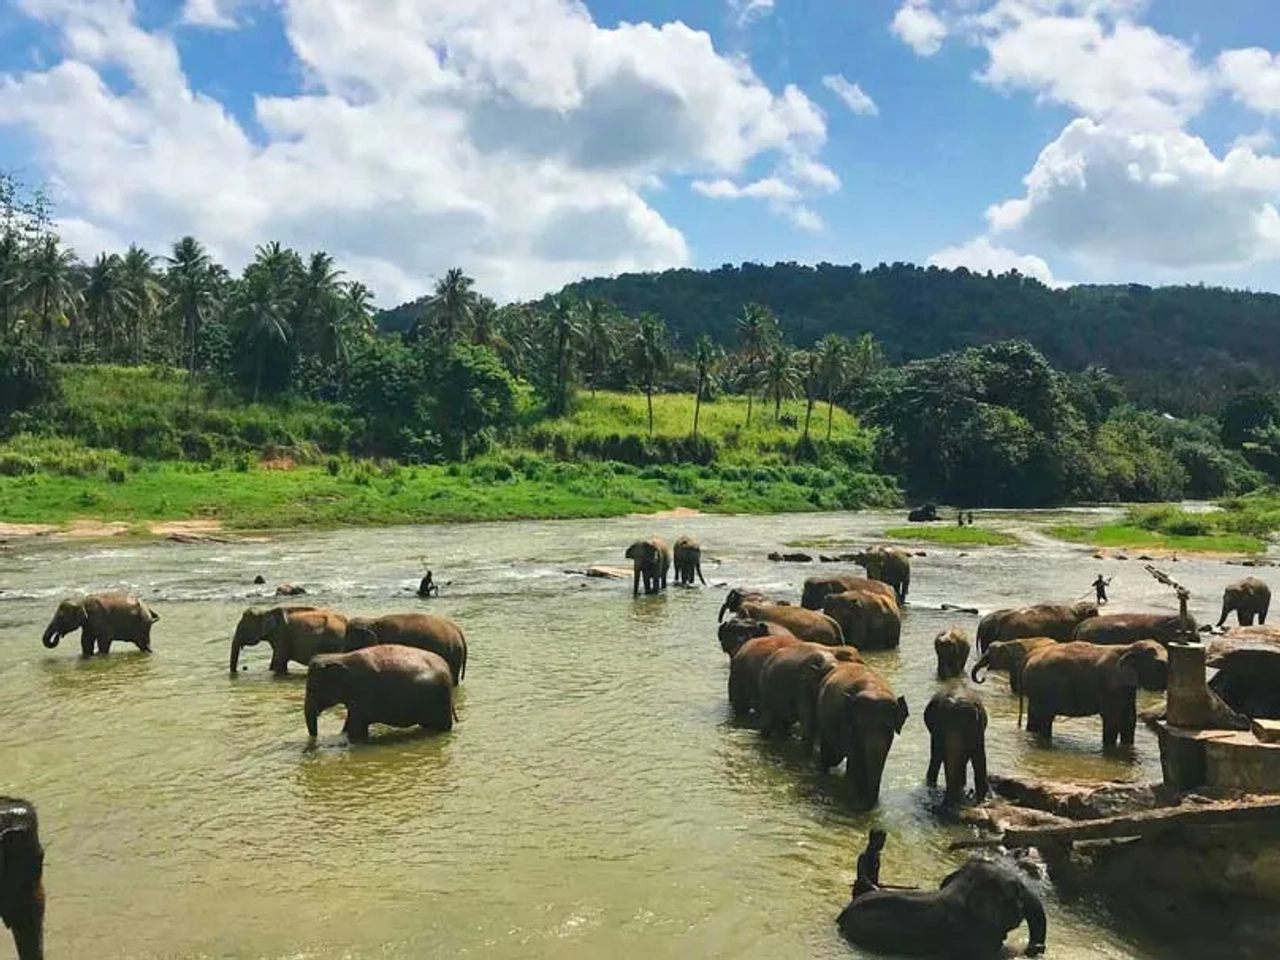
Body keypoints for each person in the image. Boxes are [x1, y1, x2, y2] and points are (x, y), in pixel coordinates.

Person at [851, 828, 887, 900]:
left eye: (883, 841)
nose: (883, 844)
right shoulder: (863, 857)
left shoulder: (876, 857)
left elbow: (874, 878)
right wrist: (875, 888)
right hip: (861, 893)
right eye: (880, 841)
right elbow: (863, 878)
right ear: (872, 841)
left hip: (871, 892)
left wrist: (878, 885)